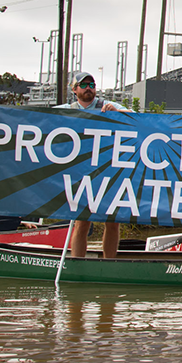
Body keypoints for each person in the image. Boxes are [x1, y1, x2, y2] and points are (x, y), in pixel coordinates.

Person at [55, 71, 131, 258]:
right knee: (82, 221)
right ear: (74, 90)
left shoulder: (107, 105)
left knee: (112, 221)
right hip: (82, 171)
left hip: (108, 169)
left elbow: (135, 116)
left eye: (92, 85)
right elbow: (34, 117)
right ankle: (77, 261)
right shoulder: (67, 108)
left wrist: (117, 112)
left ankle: (109, 263)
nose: (89, 88)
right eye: (84, 85)